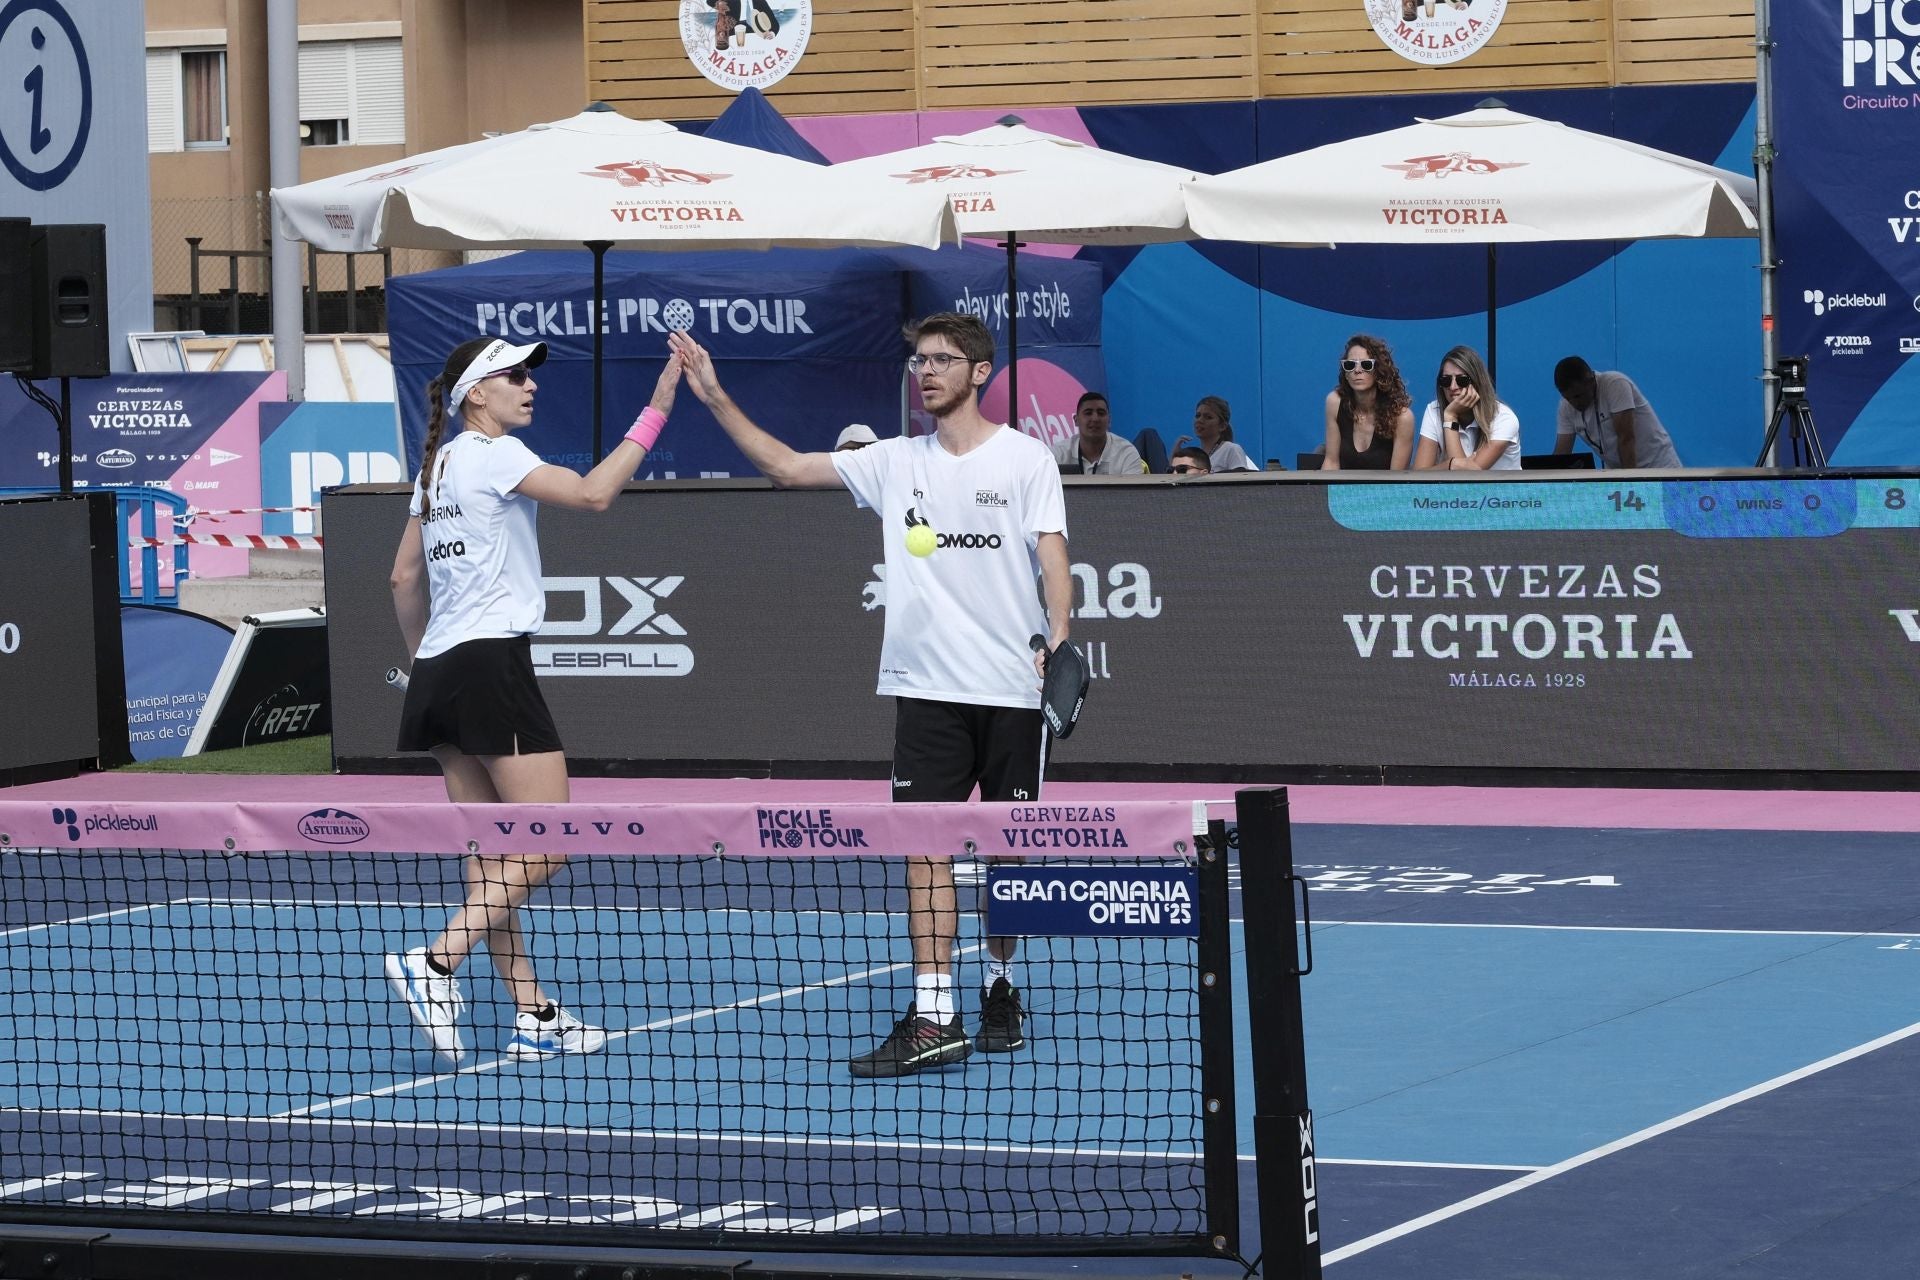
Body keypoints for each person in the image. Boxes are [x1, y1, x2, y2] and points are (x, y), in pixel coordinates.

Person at [666, 315, 1070, 1080]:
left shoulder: (1024, 459)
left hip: (1014, 689)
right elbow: (786, 466)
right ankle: (933, 1013)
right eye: (919, 360)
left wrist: (1058, 629)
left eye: (943, 361)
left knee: (1010, 855)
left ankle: (1000, 982)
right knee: (925, 850)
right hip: (924, 690)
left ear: (980, 372)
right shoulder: (892, 461)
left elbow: (1053, 552)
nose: (926, 372)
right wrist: (715, 396)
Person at [385, 335, 682, 1066]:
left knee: (493, 863)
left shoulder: (436, 467)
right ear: (476, 396)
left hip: (440, 671)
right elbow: (594, 494)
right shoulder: (490, 455)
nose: (530, 385)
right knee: (552, 841)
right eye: (514, 376)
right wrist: (656, 411)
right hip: (491, 665)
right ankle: (435, 963)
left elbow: (400, 580)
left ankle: (533, 1015)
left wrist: (426, 659)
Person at [1553, 356, 1682, 469]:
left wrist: (1628, 483)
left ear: (1591, 381)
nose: (1574, 403)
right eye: (1567, 398)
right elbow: (1562, 454)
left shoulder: (1615, 384)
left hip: (1659, 467)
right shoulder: (1566, 406)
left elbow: (1626, 438)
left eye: (1578, 396)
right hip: (1620, 472)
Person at [1413, 345, 1520, 472]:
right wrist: (1450, 465)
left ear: (1477, 382)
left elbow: (1465, 480)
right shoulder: (1434, 410)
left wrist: (1450, 417)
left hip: (1501, 492)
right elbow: (1418, 476)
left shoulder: (1503, 418)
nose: (1453, 387)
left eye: (1461, 380)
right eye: (1446, 380)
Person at [1321, 335, 1414, 471]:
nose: (1357, 370)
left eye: (1366, 364)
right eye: (1350, 365)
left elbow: (1396, 482)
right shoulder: (1334, 403)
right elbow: (1331, 462)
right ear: (1346, 374)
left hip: (1384, 490)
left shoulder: (1402, 418)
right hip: (1342, 491)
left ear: (1379, 371)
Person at [1052, 391, 1144, 475]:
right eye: (1088, 413)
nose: (1095, 419)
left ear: (1109, 420)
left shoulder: (1126, 453)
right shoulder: (1059, 453)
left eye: (1101, 413)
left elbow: (1132, 493)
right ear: (1076, 420)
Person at [1175, 395, 1256, 472]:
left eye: (1208, 417)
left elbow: (1240, 480)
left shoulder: (1231, 449)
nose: (1200, 420)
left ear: (1222, 426)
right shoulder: (1196, 456)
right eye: (1198, 415)